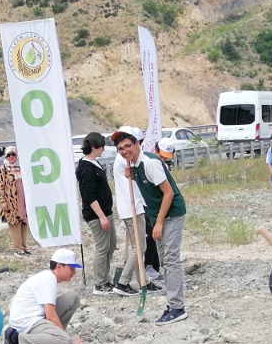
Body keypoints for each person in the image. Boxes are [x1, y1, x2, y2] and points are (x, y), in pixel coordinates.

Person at [111, 130, 188, 325]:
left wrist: (159, 222)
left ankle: (177, 307)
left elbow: (168, 193)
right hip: (157, 215)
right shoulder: (134, 166)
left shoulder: (150, 163)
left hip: (171, 213)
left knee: (170, 260)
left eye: (128, 146)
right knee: (164, 260)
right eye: (120, 149)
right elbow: (148, 186)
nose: (124, 151)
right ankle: (172, 304)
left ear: (137, 144)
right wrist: (132, 176)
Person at [2, 248, 82, 344]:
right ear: (59, 266)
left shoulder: (48, 277)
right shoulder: (48, 279)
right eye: (71, 268)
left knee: (73, 297)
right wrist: (66, 338)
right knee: (65, 342)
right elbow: (50, 315)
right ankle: (15, 339)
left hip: (33, 318)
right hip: (26, 323)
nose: (74, 272)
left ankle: (51, 338)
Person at [77, 132, 116, 294]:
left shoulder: (94, 163)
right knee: (102, 247)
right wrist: (101, 216)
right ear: (93, 147)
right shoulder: (86, 168)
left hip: (106, 211)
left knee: (111, 245)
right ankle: (99, 283)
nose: (103, 149)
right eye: (101, 146)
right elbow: (88, 195)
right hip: (96, 215)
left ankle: (105, 279)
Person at [111, 127, 145, 297]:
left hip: (130, 206)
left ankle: (142, 280)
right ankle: (123, 282)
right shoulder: (123, 160)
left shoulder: (124, 159)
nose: (124, 150)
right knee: (140, 247)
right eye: (121, 147)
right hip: (132, 207)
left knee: (136, 246)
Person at [0, 146, 30, 257]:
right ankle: (17, 248)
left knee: (24, 222)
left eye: (13, 154)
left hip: (23, 200)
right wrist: (2, 201)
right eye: (9, 155)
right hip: (11, 201)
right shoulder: (3, 168)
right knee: (14, 223)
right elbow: (0, 186)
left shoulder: (21, 167)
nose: (11, 157)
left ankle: (24, 247)